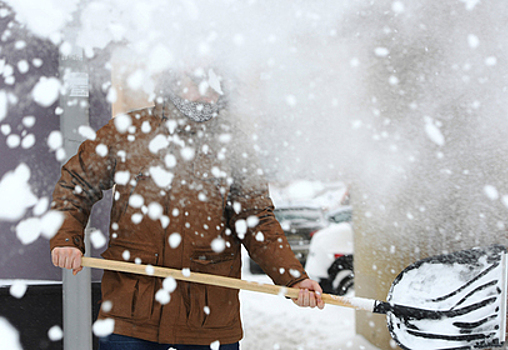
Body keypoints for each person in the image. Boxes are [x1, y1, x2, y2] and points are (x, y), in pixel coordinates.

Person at [50, 67, 325, 350]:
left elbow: (256, 220)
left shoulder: (234, 145)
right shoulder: (129, 132)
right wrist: (67, 239)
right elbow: (76, 183)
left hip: (208, 319)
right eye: (196, 80)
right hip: (132, 312)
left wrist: (294, 277)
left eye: (216, 82)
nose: (205, 91)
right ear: (173, 81)